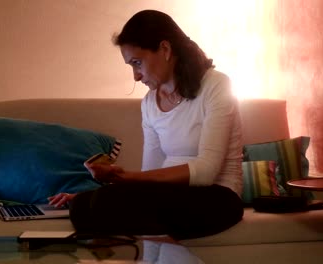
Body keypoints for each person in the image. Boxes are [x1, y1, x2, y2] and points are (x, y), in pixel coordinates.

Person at [48, 9, 243, 241]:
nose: (135, 76)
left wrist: (123, 180)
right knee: (81, 205)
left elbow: (206, 172)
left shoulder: (217, 85)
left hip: (218, 197)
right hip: (170, 196)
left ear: (165, 49)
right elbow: (150, 174)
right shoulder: (150, 104)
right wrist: (105, 188)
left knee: (102, 203)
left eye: (137, 63)